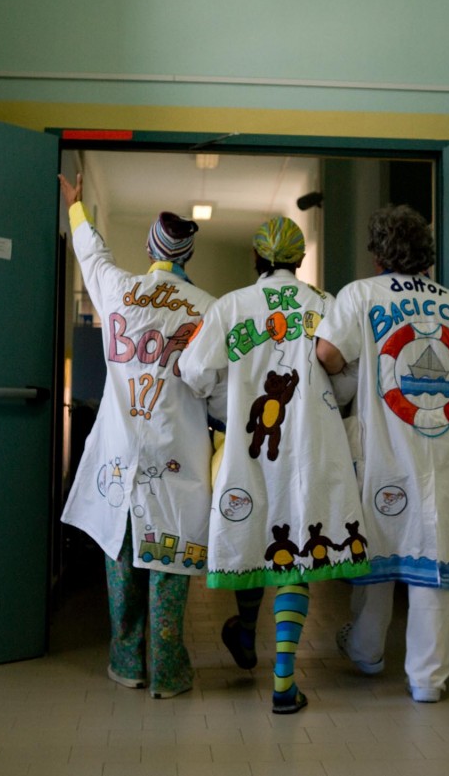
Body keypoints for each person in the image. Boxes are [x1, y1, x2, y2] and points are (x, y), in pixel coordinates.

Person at [178, 216, 369, 714]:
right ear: (300, 260)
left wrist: (228, 401)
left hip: (249, 445)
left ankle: (245, 631)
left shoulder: (231, 306)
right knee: (294, 550)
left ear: (256, 258)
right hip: (313, 449)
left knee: (253, 534)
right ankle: (284, 683)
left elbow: (194, 371)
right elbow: (347, 379)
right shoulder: (325, 305)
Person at [316, 204, 449, 703]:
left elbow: (327, 354)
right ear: (426, 254)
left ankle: (367, 651)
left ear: (378, 254)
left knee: (378, 550)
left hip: (383, 450)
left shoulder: (360, 294)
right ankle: (428, 680)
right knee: (433, 561)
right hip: (438, 452)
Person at [59, 172, 222, 699]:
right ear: (187, 256)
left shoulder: (119, 290)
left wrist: (76, 207)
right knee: (169, 561)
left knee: (120, 555)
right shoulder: (208, 310)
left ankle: (126, 662)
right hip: (176, 455)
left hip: (120, 452)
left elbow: (92, 253)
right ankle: (168, 673)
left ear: (151, 250)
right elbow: (216, 391)